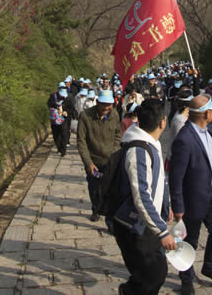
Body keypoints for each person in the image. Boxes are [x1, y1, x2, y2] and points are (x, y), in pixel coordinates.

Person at [169, 94, 212, 295]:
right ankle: (186, 279)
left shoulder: (209, 132)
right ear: (206, 114)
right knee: (190, 242)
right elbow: (176, 177)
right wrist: (177, 206)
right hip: (193, 199)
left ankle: (210, 266)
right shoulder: (184, 139)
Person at [113, 101, 177, 295]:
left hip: (148, 222)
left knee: (153, 273)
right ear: (163, 122)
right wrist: (162, 232)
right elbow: (141, 196)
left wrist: (165, 205)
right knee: (153, 275)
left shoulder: (152, 143)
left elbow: (159, 180)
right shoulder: (138, 150)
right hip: (134, 226)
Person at [77, 89, 122, 222]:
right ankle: (96, 209)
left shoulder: (114, 115)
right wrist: (88, 163)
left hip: (110, 160)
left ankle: (110, 216)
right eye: (103, 104)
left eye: (109, 105)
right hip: (94, 161)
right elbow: (81, 141)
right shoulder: (85, 117)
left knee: (110, 190)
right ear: (97, 102)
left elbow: (118, 135)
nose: (106, 108)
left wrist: (115, 153)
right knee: (94, 188)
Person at [47, 82, 70, 156]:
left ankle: (63, 150)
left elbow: (71, 107)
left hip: (64, 119)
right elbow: (49, 104)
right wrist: (57, 107)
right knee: (56, 134)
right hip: (54, 119)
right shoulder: (52, 96)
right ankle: (59, 148)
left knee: (64, 134)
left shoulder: (68, 98)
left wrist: (66, 112)